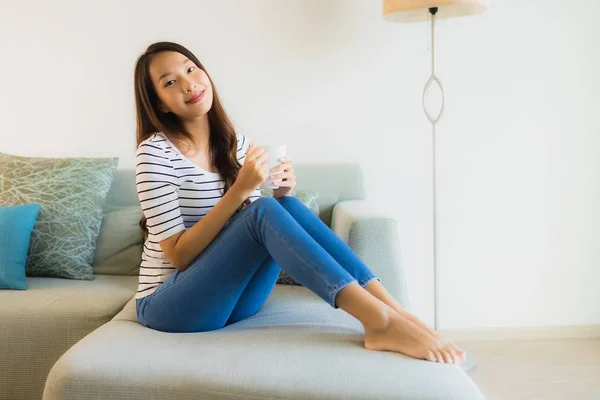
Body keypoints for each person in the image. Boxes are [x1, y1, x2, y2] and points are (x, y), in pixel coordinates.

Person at [132, 41, 465, 365]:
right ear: (160, 104)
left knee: (283, 207)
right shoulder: (154, 153)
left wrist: (281, 193)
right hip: (172, 305)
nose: (189, 84)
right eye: (171, 82)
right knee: (262, 211)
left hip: (232, 300)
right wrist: (240, 192)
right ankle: (379, 322)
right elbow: (178, 254)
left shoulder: (238, 144)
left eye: (191, 69)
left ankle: (396, 311)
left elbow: (244, 232)